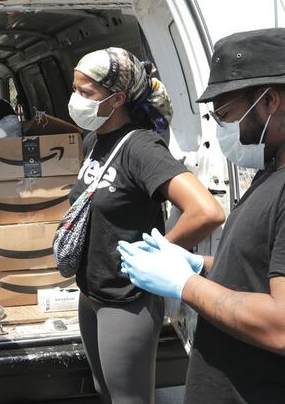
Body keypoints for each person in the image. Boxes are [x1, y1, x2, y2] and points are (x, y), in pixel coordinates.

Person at [118, 28, 285, 403]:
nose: (222, 128)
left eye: (225, 114)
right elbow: (268, 271)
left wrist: (184, 286)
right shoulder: (280, 168)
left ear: (269, 100)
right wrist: (200, 266)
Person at [65, 47, 224, 403]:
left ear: (116, 97)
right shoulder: (95, 140)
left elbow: (207, 212)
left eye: (85, 93)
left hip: (127, 298)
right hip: (92, 292)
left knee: (129, 399)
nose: (76, 100)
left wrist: (158, 252)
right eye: (74, 89)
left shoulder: (141, 147)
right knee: (103, 391)